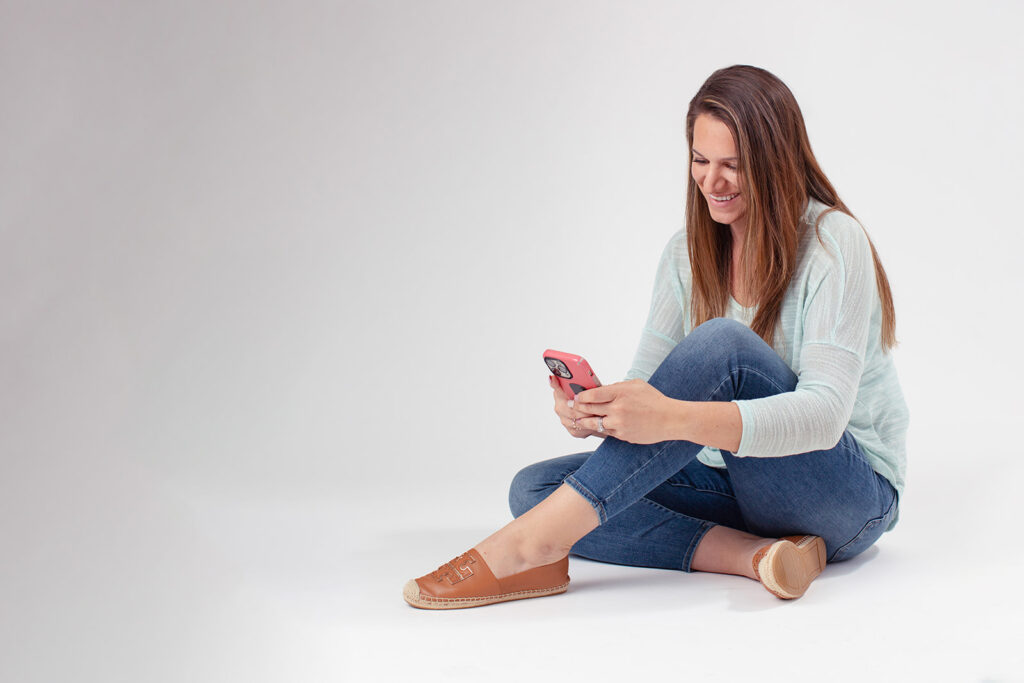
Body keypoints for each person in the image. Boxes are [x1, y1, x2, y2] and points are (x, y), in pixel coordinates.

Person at [403, 64, 908, 609]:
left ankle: (530, 547)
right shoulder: (684, 255)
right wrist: (601, 411)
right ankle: (757, 556)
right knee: (535, 491)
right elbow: (650, 391)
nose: (712, 182)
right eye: (700, 161)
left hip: (844, 493)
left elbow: (822, 416)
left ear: (776, 162)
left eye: (733, 166)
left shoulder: (834, 242)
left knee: (724, 346)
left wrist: (670, 419)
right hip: (738, 487)